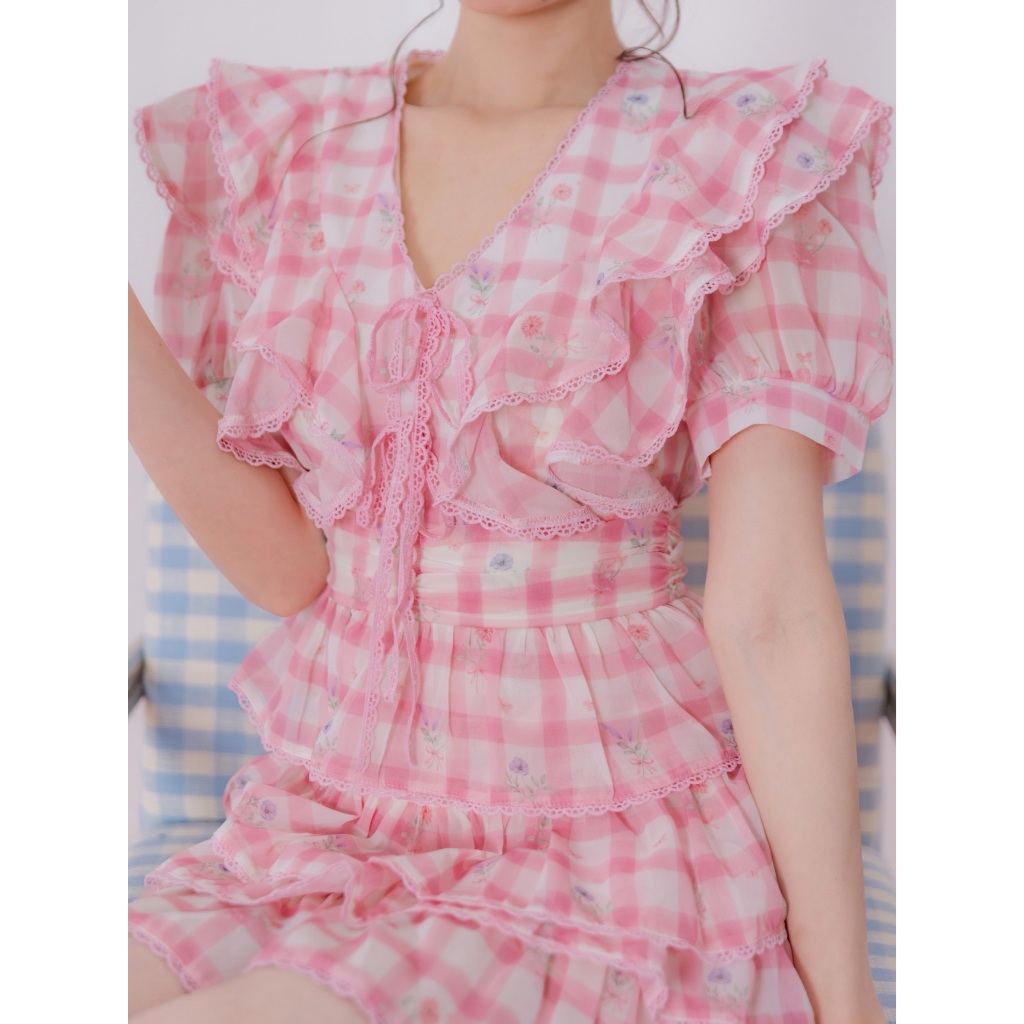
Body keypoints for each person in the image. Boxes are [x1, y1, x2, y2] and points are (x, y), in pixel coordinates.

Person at [127, 1, 894, 1021]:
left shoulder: (742, 155)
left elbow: (772, 614)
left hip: (594, 852)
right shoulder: (287, 145)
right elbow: (289, 570)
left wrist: (847, 1001)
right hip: (325, 818)